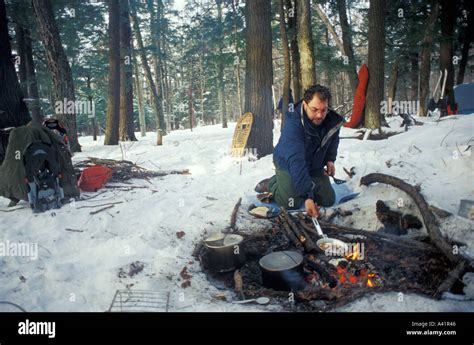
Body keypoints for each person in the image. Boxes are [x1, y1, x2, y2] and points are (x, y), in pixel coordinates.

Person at [255, 84, 343, 218]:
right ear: (305, 104)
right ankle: (272, 183)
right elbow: (296, 161)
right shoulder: (293, 124)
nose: (320, 115)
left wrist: (330, 160)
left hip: (314, 165)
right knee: (291, 203)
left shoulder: (331, 120)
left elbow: (333, 141)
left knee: (328, 200)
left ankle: (306, 182)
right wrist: (307, 197)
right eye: (314, 109)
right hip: (288, 164)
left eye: (324, 110)